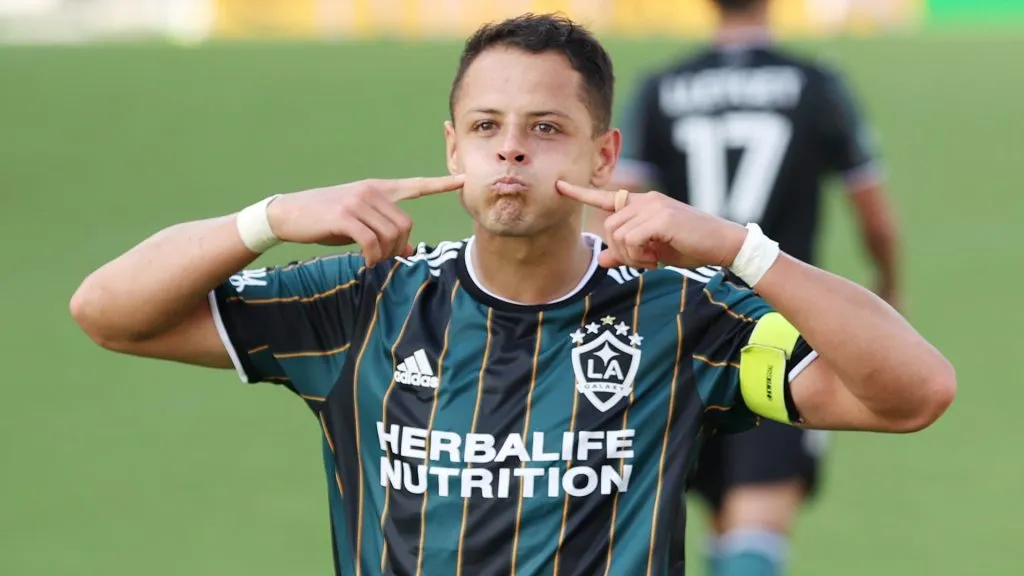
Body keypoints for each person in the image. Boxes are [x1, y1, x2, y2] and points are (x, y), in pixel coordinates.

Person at [70, 13, 953, 576]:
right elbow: (107, 311)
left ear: (603, 157)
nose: (512, 152)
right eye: (488, 128)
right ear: (453, 150)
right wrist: (269, 216)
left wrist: (736, 248)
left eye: (546, 128)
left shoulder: (683, 313)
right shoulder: (364, 301)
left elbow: (914, 393)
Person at [587, 1, 903, 574]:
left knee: (685, 510)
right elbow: (875, 217)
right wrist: (887, 287)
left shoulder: (663, 86)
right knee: (757, 519)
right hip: (781, 325)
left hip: (678, 323)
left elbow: (614, 208)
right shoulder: (816, 84)